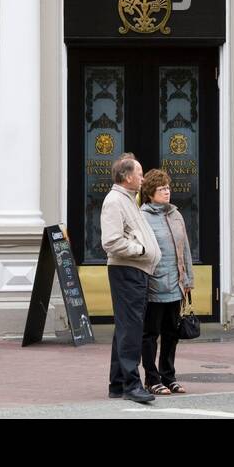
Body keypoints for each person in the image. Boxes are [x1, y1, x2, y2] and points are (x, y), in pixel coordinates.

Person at [100, 153, 161, 403]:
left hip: (134, 271)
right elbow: (111, 241)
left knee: (126, 328)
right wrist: (142, 251)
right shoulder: (115, 201)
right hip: (128, 271)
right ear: (127, 177)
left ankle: (117, 384)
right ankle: (131, 385)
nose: (143, 178)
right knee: (132, 329)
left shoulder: (127, 199)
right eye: (139, 173)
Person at [139, 169, 194, 395]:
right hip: (154, 285)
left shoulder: (175, 214)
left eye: (168, 188)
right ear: (150, 192)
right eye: (161, 189)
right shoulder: (142, 216)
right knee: (151, 334)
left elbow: (186, 248)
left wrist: (188, 278)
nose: (167, 192)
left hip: (176, 284)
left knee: (171, 332)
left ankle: (168, 375)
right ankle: (151, 379)